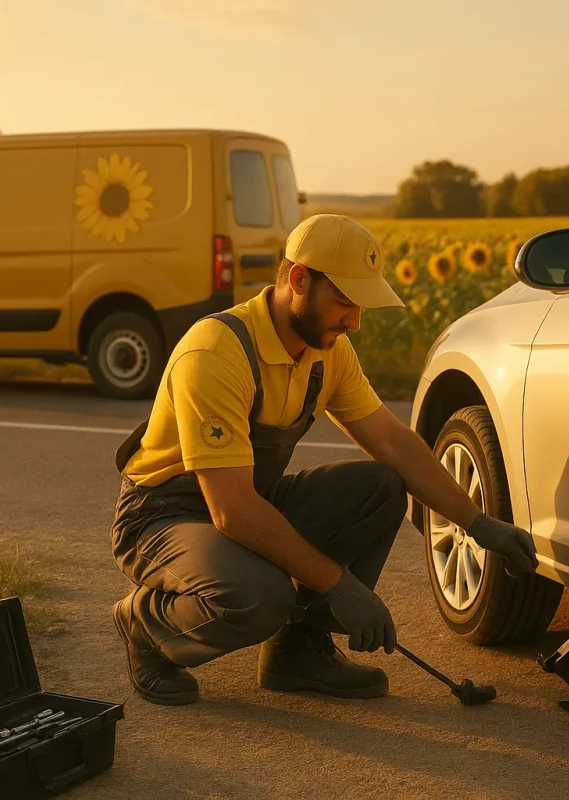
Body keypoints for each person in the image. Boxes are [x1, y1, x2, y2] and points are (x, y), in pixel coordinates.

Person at [110, 214, 538, 706]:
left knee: (380, 486)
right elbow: (231, 511)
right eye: (344, 302)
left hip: (250, 500)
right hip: (164, 518)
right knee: (262, 596)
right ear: (298, 280)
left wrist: (479, 524)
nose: (354, 321)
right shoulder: (215, 353)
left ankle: (297, 654)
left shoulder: (328, 350)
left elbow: (394, 444)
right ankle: (144, 625)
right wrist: (340, 586)